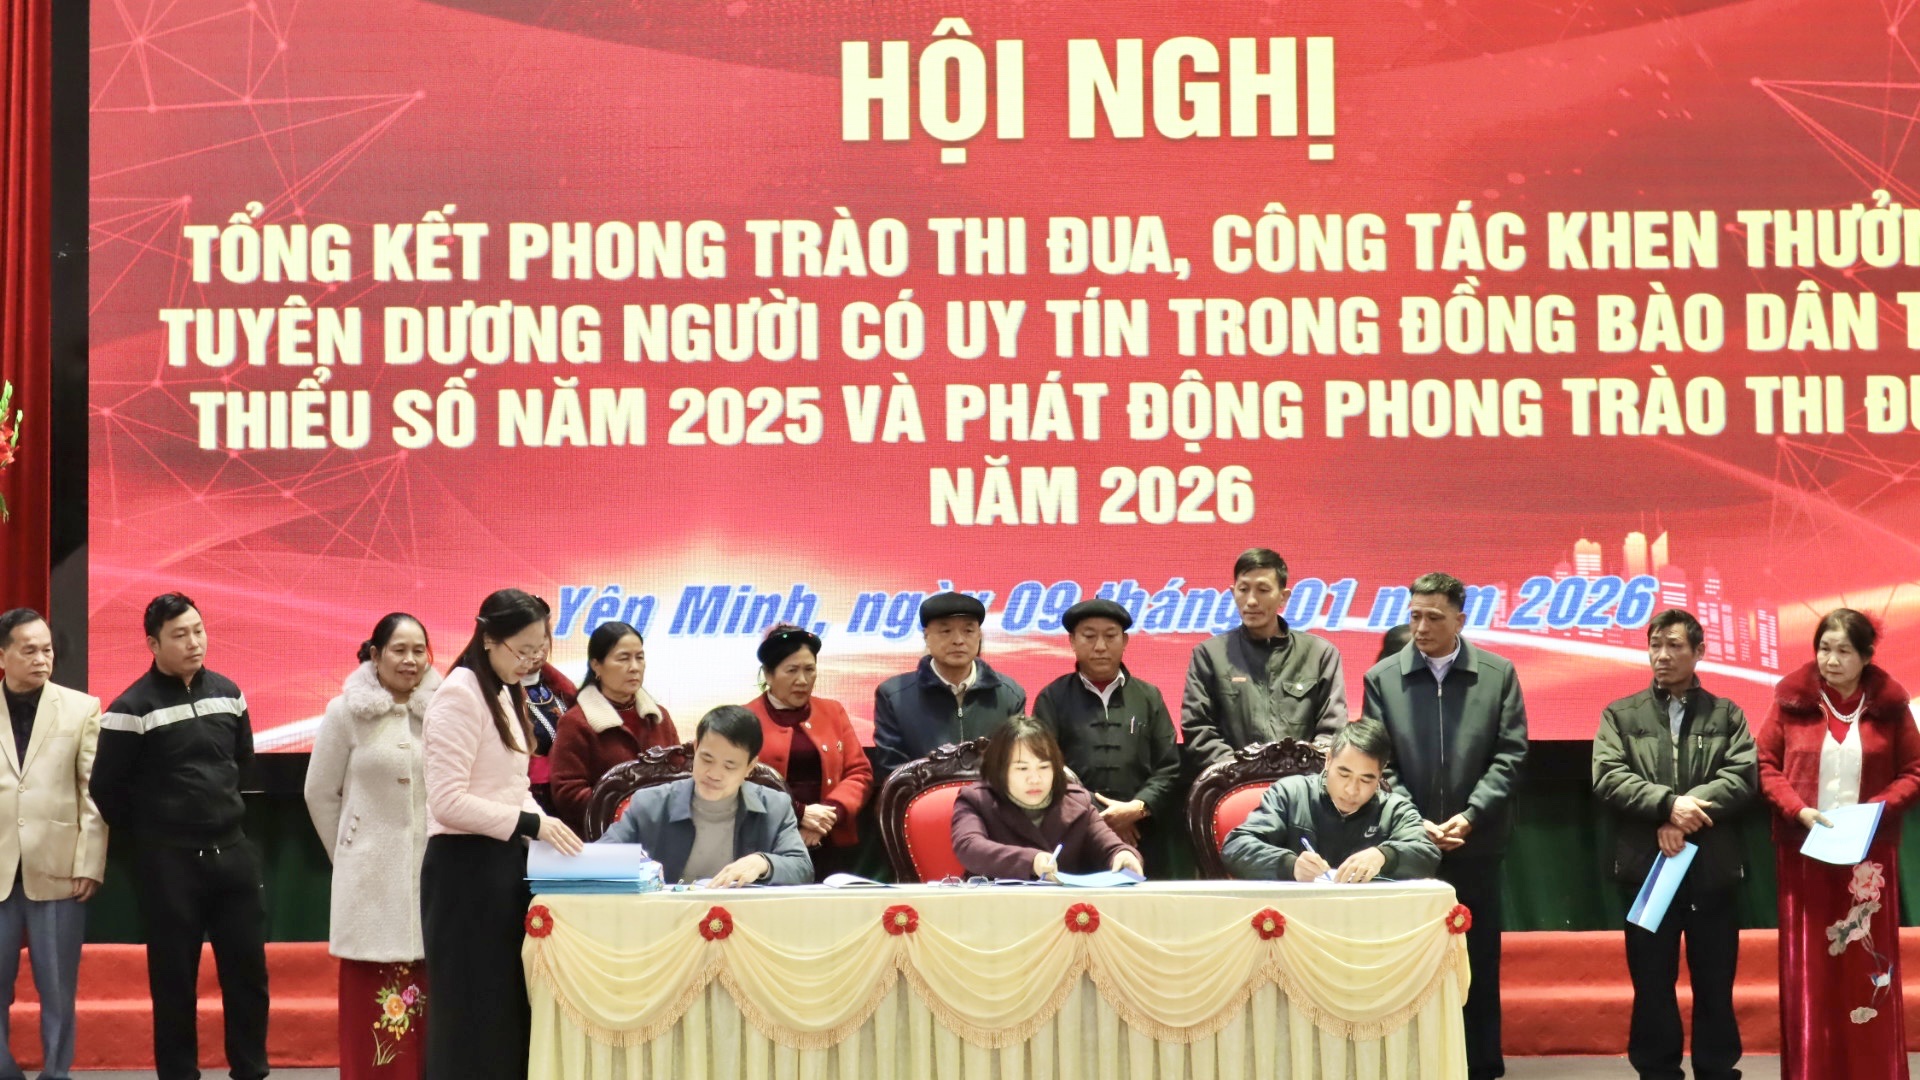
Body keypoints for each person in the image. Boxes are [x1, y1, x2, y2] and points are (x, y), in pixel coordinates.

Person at [90, 593, 270, 1080]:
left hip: (233, 854)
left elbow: (242, 764)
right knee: (174, 983)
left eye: (198, 630)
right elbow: (106, 788)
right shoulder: (130, 708)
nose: (194, 642)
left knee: (248, 976)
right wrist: (155, 835)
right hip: (169, 863)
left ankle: (251, 1070)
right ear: (153, 644)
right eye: (179, 635)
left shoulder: (229, 693)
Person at [1364, 572, 1527, 1080]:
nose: (1421, 627)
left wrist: (1471, 815)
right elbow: (1380, 763)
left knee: (1476, 958)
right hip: (1410, 845)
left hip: (1476, 841)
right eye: (1415, 616)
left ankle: (1480, 1064)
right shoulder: (1383, 678)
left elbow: (1510, 756)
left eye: (1434, 617)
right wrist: (1414, 821)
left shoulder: (1497, 675)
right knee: (1409, 959)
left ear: (1460, 619)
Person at [421, 590, 582, 1080]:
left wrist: (549, 830)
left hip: (501, 867)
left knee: (503, 1005)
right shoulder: (459, 694)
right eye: (523, 650)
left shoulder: (504, 690)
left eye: (540, 651)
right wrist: (532, 824)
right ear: (489, 638)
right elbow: (447, 801)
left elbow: (512, 787)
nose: (532, 662)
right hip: (463, 871)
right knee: (468, 1008)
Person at [1592, 608, 1756, 1080]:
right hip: (1649, 867)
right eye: (1655, 645)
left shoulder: (1727, 714)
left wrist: (1682, 817)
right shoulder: (1620, 714)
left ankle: (1717, 1069)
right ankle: (1657, 1071)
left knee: (1715, 982)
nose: (1662, 656)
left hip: (1711, 869)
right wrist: (1667, 806)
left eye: (1674, 646)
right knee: (1651, 983)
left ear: (1699, 651)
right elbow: (1608, 776)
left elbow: (1741, 777)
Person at [1756, 609, 1920, 1080]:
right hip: (1804, 852)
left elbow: (1914, 771)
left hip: (1869, 858)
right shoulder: (1791, 701)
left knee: (1865, 962)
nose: (1831, 660)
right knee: (1813, 966)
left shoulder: (1890, 707)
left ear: (1866, 656)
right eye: (1824, 649)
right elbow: (1765, 764)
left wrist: (1875, 811)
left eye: (1843, 650)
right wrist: (1797, 810)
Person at [304, 613, 443, 1080]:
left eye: (419, 650)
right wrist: (349, 850)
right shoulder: (345, 712)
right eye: (399, 650)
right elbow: (319, 792)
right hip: (369, 883)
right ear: (376, 654)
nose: (410, 660)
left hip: (431, 876)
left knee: (430, 1002)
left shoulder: (444, 710)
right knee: (372, 1006)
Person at [0, 609, 106, 1080]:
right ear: (3, 656)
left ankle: (56, 1073)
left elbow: (93, 793)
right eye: (29, 650)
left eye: (47, 649)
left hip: (60, 866)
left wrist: (89, 862)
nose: (42, 659)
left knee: (58, 988)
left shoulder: (82, 708)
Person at [1030, 599, 1179, 869]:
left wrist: (1137, 808)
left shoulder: (1148, 697)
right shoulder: (1052, 698)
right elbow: (1047, 768)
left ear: (1125, 641)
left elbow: (1169, 766)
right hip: (1074, 833)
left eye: (1110, 636)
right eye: (1089, 636)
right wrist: (1102, 816)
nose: (1100, 646)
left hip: (1142, 833)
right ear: (1072, 641)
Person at [597, 705, 812, 886]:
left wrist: (763, 863)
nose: (714, 774)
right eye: (707, 759)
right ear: (696, 748)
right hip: (666, 917)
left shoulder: (775, 806)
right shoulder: (649, 803)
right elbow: (601, 858)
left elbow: (803, 868)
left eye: (729, 766)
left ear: (750, 767)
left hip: (743, 918)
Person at [1181, 548, 1348, 775]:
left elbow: (1333, 731)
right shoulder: (1209, 655)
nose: (1251, 601)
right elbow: (1198, 729)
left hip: (1304, 783)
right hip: (1234, 784)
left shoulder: (1320, 654)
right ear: (1232, 592)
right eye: (1243, 589)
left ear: (1283, 597)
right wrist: (1244, 771)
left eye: (1263, 590)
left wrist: (1300, 775)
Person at [1221, 718, 1439, 882]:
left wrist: (1385, 855)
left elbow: (1427, 854)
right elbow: (1236, 847)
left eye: (1366, 779)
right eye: (1344, 774)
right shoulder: (1290, 794)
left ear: (1380, 775)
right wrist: (1289, 865)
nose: (1352, 790)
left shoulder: (1394, 809)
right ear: (1328, 761)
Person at [742, 625, 871, 879]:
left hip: (829, 837)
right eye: (791, 670)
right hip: (765, 844)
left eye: (809, 670)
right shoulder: (744, 719)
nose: (802, 680)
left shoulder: (833, 711)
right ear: (768, 674)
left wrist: (826, 816)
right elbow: (735, 783)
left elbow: (859, 773)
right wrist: (800, 813)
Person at [950, 716, 1144, 880]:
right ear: (1000, 770)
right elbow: (969, 847)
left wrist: (1124, 855)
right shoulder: (977, 800)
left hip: (1063, 908)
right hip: (995, 907)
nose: (1035, 779)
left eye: (1044, 767)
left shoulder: (1077, 803)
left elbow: (1109, 846)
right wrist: (1031, 861)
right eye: (1022, 768)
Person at [548, 622, 677, 836]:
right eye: (623, 658)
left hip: (658, 836)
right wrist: (626, 809)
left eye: (640, 657)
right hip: (603, 840)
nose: (634, 667)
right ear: (596, 665)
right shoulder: (576, 723)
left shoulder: (659, 717)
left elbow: (679, 775)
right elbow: (567, 793)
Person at [873, 592, 1025, 772]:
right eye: (946, 631)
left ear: (979, 636)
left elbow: (1017, 763)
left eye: (968, 631)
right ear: (926, 637)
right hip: (922, 790)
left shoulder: (1009, 694)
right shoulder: (894, 696)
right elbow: (893, 770)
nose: (958, 641)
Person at [516, 605, 575, 816]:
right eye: (528, 640)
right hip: (522, 802)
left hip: (564, 797)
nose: (538, 648)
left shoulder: (564, 691)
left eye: (543, 638)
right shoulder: (495, 695)